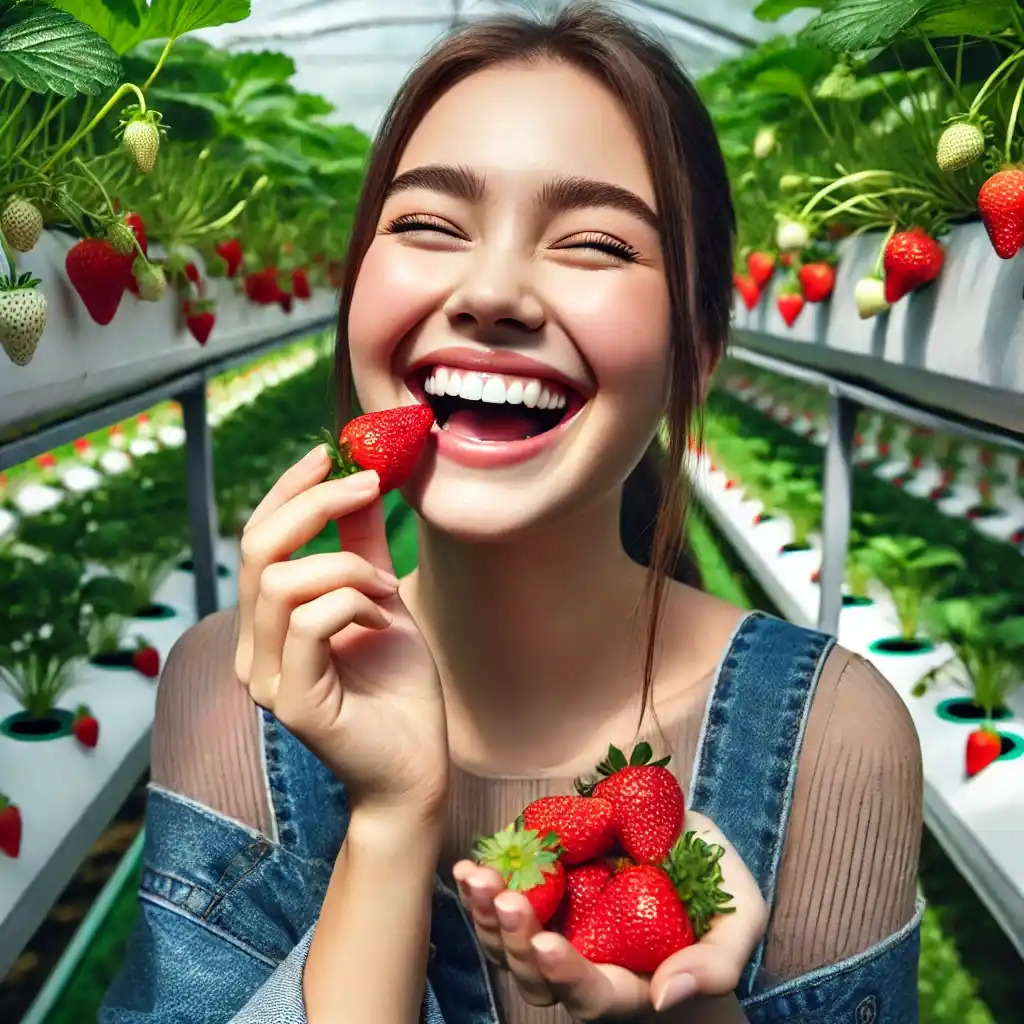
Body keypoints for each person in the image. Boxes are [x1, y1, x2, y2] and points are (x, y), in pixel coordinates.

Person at [101, 4, 924, 1022]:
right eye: (427, 226)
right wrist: (394, 820)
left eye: (593, 244)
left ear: (699, 347)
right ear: (353, 292)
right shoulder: (226, 694)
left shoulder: (832, 735)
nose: (492, 290)